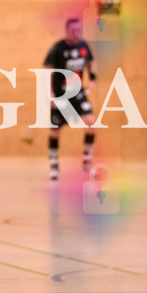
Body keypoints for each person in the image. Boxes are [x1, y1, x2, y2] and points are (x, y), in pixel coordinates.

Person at [43, 18, 96, 180]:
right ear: (67, 30)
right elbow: (47, 70)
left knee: (91, 123)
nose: (76, 33)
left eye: (79, 29)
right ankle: (54, 165)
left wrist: (92, 80)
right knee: (55, 131)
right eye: (73, 30)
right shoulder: (58, 48)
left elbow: (90, 63)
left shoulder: (84, 46)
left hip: (78, 93)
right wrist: (50, 93)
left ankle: (87, 160)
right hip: (61, 95)